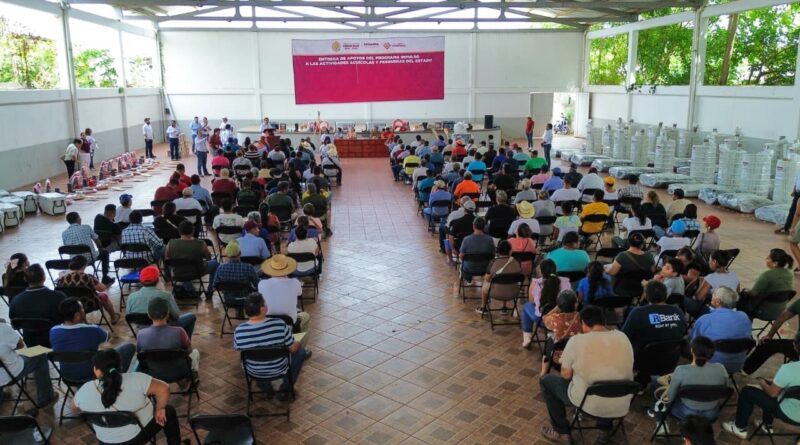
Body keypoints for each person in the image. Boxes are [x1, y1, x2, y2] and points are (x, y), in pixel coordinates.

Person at [539, 306, 634, 443]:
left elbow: (565, 375)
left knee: (547, 381)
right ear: (604, 321)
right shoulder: (623, 337)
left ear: (583, 323)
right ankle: (604, 429)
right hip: (621, 403)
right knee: (608, 378)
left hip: (589, 403)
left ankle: (561, 432)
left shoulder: (577, 341)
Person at [72, 349, 184, 445]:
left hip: (105, 441)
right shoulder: (137, 379)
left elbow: (75, 409)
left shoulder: (84, 390)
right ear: (120, 366)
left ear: (97, 371)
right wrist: (160, 409)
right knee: (168, 411)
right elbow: (164, 389)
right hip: (135, 438)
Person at [723, 332, 800, 439]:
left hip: (788, 413)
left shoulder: (789, 369)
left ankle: (739, 428)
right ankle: (766, 425)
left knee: (748, 392)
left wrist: (762, 382)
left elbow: (772, 394)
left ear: (795, 346)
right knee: (773, 388)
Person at [233, 293, 309, 400]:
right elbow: (292, 349)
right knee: (301, 352)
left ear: (246, 311)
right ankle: (285, 389)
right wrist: (299, 342)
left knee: (251, 357)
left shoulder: (239, 330)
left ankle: (266, 388)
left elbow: (238, 348)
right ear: (263, 309)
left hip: (253, 370)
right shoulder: (279, 324)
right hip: (279, 367)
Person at [651, 336, 729, 433]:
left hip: (686, 412)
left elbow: (670, 397)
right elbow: (725, 389)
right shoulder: (721, 369)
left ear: (691, 351)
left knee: (655, 381)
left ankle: (660, 423)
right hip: (711, 414)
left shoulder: (681, 370)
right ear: (712, 354)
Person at [50, 298, 136, 381]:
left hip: (67, 376)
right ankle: (114, 380)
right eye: (82, 309)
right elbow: (108, 337)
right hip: (93, 374)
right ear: (77, 316)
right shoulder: (93, 329)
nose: (84, 310)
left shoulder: (53, 331)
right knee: (129, 347)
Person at [623, 280, 687, 373]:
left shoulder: (638, 313)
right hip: (671, 359)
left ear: (646, 295)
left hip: (642, 360)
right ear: (666, 295)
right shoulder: (678, 311)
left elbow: (624, 337)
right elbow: (683, 331)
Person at [136, 298, 200, 382]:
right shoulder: (179, 331)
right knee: (195, 352)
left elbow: (139, 353)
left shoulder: (141, 334)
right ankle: (191, 378)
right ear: (168, 314)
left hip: (154, 373)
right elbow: (189, 350)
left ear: (148, 315)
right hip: (179, 372)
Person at [691, 286, 752, 372]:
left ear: (717, 301)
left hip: (711, 364)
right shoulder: (744, 317)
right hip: (737, 365)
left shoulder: (705, 319)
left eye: (713, 296)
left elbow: (693, 341)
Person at [126, 266, 197, 337]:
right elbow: (176, 315)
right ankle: (184, 341)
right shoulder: (166, 295)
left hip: (142, 328)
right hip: (166, 326)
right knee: (191, 317)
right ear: (157, 280)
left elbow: (129, 315)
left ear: (141, 280)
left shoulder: (131, 297)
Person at [0, 317, 55, 408]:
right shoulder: (3, 328)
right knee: (41, 357)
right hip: (10, 374)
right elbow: (21, 346)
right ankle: (46, 397)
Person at [9, 264, 67, 347]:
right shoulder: (58, 296)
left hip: (31, 344)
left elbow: (15, 325)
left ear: (25, 279)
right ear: (44, 277)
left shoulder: (15, 300)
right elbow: (67, 318)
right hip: (56, 341)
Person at [258, 255, 311, 344]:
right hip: (289, 324)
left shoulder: (262, 283)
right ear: (287, 268)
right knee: (306, 316)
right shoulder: (295, 282)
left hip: (267, 323)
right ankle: (300, 346)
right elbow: (300, 293)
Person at [56, 256, 121, 324]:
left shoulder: (62, 279)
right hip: (89, 304)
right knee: (104, 296)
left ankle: (84, 322)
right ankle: (113, 318)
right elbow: (102, 289)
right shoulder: (87, 277)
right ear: (84, 265)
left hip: (71, 305)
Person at [521, 259, 571, 348]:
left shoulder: (536, 283)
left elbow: (532, 301)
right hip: (563, 320)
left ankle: (527, 339)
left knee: (526, 306)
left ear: (541, 271)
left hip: (544, 321)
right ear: (555, 269)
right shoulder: (565, 282)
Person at [738, 248, 794, 320]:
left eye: (768, 258)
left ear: (775, 263)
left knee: (742, 299)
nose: (766, 258)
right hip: (780, 310)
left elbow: (754, 293)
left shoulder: (767, 275)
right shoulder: (790, 273)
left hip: (765, 312)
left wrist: (746, 291)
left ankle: (743, 323)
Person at [62, 212, 115, 284]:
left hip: (74, 261)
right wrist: (101, 248)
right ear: (77, 219)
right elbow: (96, 240)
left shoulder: (64, 233)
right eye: (79, 217)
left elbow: (67, 248)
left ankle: (77, 278)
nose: (80, 218)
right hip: (89, 258)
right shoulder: (86, 227)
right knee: (105, 253)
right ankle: (105, 277)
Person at [541, 290, 581, 374]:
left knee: (549, 340)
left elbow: (544, 318)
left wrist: (556, 309)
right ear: (575, 304)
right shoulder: (580, 318)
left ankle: (543, 372)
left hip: (557, 359)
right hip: (576, 358)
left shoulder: (555, 319)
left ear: (559, 305)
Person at [477, 240, 522, 312]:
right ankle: (504, 307)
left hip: (496, 293)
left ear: (498, 251)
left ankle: (483, 307)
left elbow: (487, 279)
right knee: (507, 281)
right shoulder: (517, 262)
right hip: (513, 293)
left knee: (485, 283)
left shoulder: (493, 262)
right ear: (510, 251)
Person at [689, 250, 738, 317]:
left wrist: (701, 283)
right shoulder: (734, 275)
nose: (708, 262)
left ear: (714, 262)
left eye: (709, 260)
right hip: (730, 310)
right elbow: (737, 294)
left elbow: (699, 297)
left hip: (713, 311)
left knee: (684, 300)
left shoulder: (711, 278)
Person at [459, 217, 496, 282]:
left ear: (473, 226)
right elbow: (493, 255)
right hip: (485, 269)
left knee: (461, 263)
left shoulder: (466, 239)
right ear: (484, 227)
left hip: (468, 270)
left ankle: (468, 280)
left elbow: (461, 256)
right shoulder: (490, 239)